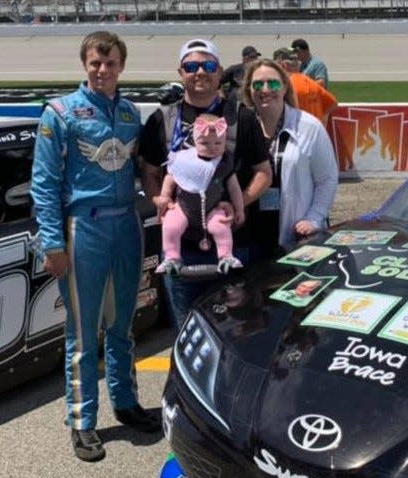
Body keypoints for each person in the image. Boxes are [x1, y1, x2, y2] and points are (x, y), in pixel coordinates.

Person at [30, 31, 161, 462]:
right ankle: (82, 420)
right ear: (85, 65)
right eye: (94, 63)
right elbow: (44, 184)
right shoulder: (60, 112)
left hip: (126, 225)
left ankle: (125, 403)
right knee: (85, 333)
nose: (102, 70)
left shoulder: (129, 113)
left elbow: (146, 171)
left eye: (110, 63)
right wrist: (52, 242)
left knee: (124, 325)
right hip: (82, 229)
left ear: (121, 65)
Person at [139, 38, 272, 331]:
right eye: (191, 66)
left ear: (220, 71)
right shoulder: (163, 119)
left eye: (208, 65)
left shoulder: (241, 116)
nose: (200, 72)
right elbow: (148, 172)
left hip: (234, 247)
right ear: (180, 72)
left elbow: (264, 172)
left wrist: (237, 204)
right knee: (188, 336)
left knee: (237, 334)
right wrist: (160, 201)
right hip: (181, 252)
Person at [239, 58, 338, 252]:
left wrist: (314, 217)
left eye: (273, 83)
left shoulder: (309, 127)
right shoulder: (241, 126)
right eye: (258, 84)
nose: (265, 90)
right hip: (250, 232)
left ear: (285, 88)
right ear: (249, 90)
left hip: (298, 232)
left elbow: (327, 179)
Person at [155, 113, 244, 275]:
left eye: (218, 143)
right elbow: (170, 177)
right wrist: (165, 196)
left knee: (220, 225)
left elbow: (234, 188)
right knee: (171, 225)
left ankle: (226, 256)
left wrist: (239, 209)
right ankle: (172, 256)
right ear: (195, 141)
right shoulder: (183, 159)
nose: (212, 147)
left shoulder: (224, 163)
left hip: (213, 207)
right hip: (183, 206)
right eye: (205, 143)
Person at [274, 47, 338, 125]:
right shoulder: (312, 84)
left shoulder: (283, 87)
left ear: (282, 65)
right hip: (315, 134)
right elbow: (332, 104)